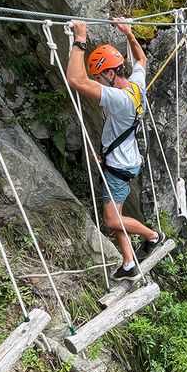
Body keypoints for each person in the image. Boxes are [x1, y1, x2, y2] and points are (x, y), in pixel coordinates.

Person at [66, 18, 160, 281]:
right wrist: (129, 34)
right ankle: (129, 262)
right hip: (124, 160)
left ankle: (153, 236)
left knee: (111, 220)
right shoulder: (136, 86)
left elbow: (75, 79)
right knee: (115, 214)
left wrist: (80, 38)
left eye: (99, 76)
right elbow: (141, 60)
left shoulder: (117, 98)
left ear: (109, 73)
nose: (98, 81)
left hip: (118, 167)